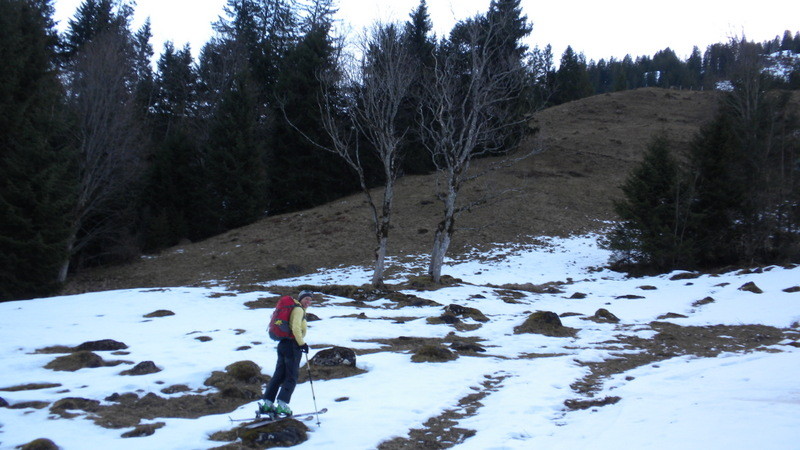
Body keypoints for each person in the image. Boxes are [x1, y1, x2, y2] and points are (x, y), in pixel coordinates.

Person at [258, 290, 313, 417]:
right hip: (292, 345)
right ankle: (282, 405)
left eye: (310, 300)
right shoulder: (298, 310)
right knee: (291, 375)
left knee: (279, 374)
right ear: (300, 299)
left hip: (283, 344)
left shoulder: (295, 308)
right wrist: (301, 344)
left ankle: (267, 403)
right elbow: (296, 328)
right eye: (306, 299)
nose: (308, 302)